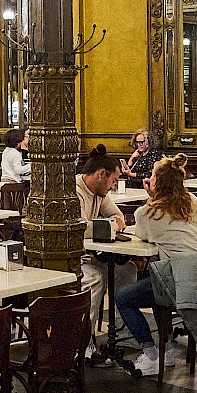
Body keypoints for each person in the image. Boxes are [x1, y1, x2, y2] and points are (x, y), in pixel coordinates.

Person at [114, 153, 197, 375]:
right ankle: (165, 348)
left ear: (157, 182)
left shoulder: (148, 213)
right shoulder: (193, 202)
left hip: (180, 283)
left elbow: (143, 233)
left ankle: (151, 355)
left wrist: (150, 198)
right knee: (157, 282)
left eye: (152, 176)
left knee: (123, 298)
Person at [78, 145, 135, 358]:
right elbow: (82, 228)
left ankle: (123, 330)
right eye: (113, 180)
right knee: (95, 278)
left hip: (92, 253)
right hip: (73, 257)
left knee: (127, 270)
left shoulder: (100, 192)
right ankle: (84, 340)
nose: (113, 186)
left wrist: (107, 224)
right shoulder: (75, 190)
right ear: (101, 174)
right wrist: (108, 224)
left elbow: (118, 217)